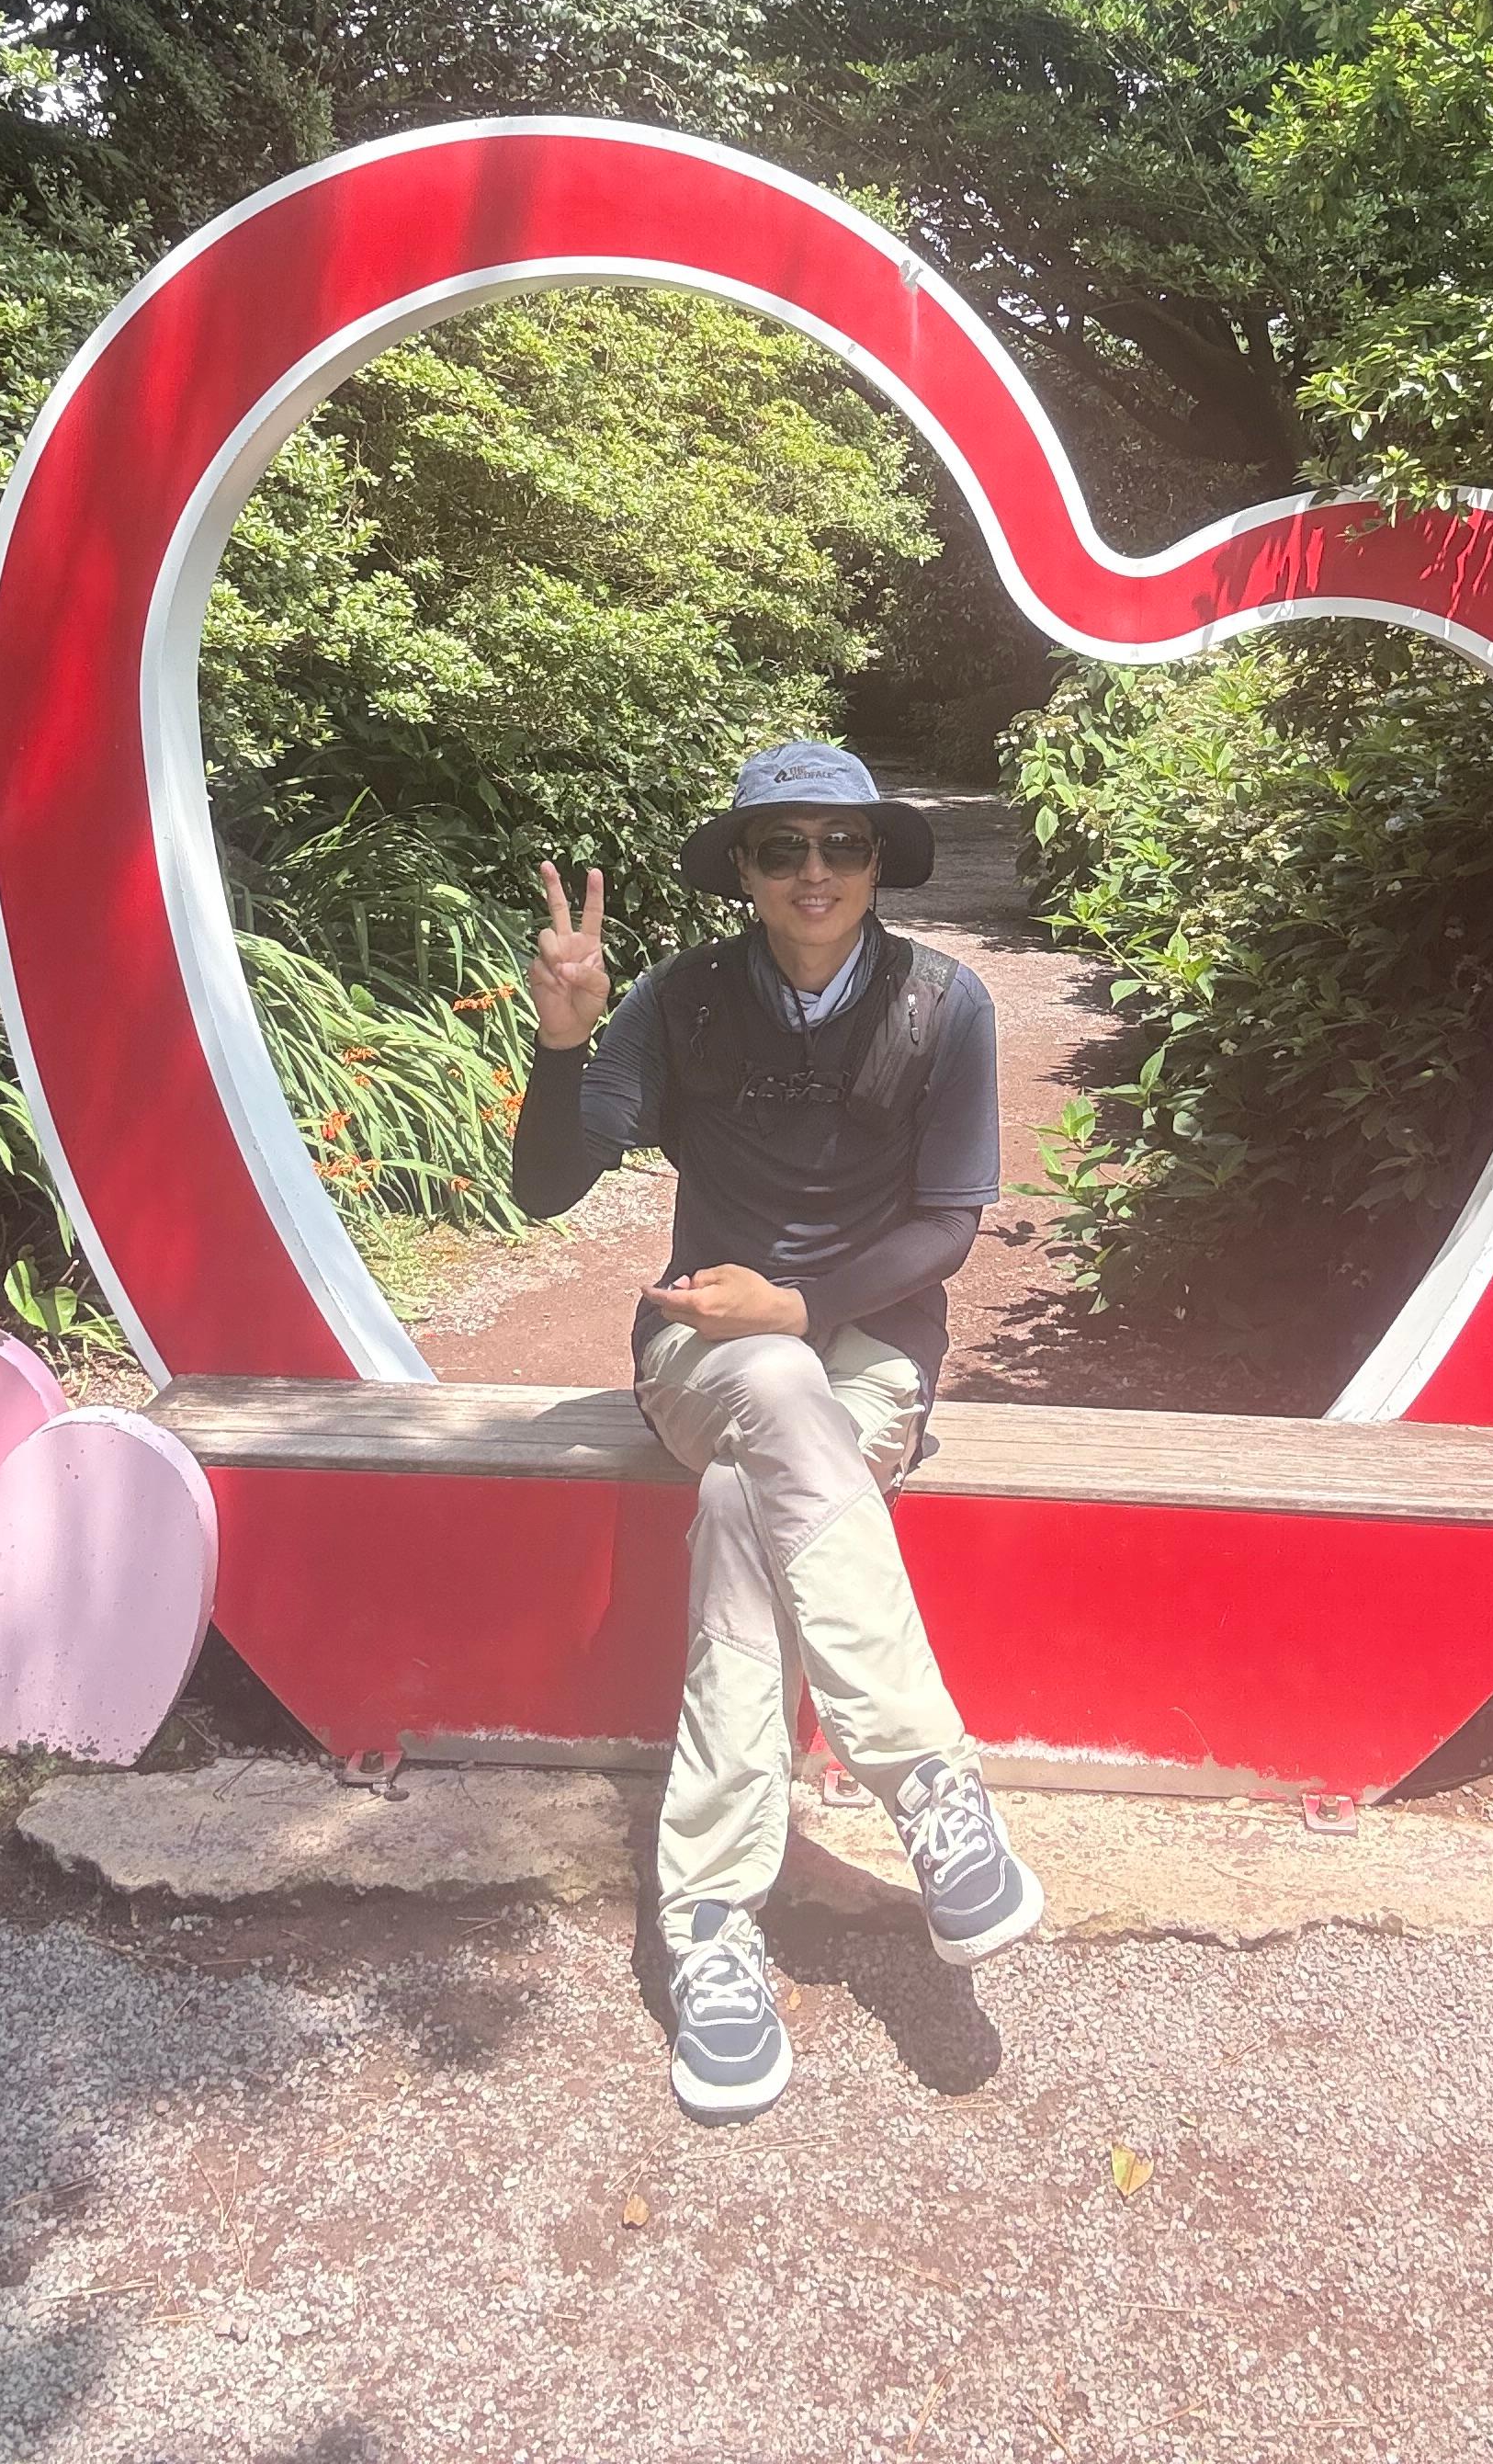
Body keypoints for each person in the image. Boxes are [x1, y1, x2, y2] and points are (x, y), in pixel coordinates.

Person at [508, 739, 1045, 2121]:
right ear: (743, 871)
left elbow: (947, 1228)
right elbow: (547, 1191)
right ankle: (928, 1783)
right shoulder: (683, 999)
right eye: (782, 847)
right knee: (773, 1392)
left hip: (869, 1351)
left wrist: (798, 1307)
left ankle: (705, 1921)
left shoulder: (944, 1006)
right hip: (706, 1352)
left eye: (842, 845)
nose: (816, 871)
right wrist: (563, 1045)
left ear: (876, 864)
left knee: (745, 1505)